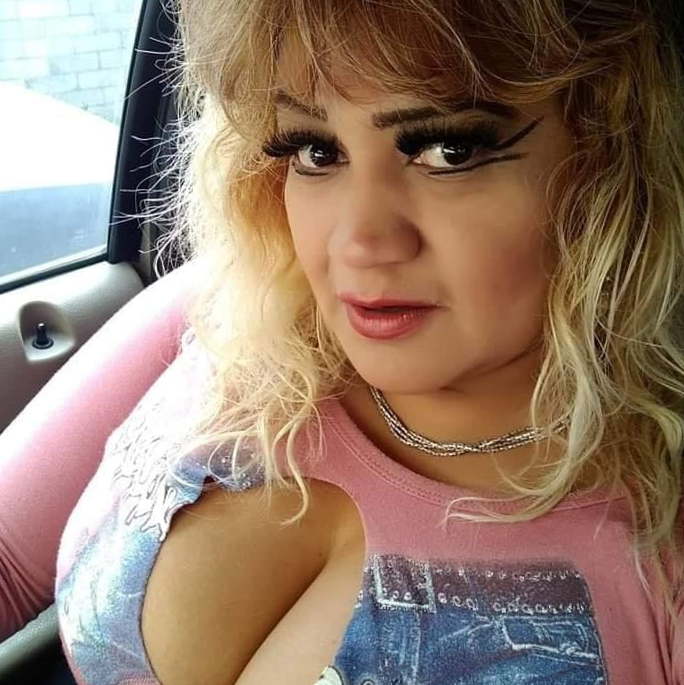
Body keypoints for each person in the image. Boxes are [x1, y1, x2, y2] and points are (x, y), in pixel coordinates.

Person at [3, 0, 683, 683]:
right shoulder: (216, 312)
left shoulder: (660, 556)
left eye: (449, 151)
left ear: (609, 158)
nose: (358, 242)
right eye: (315, 150)